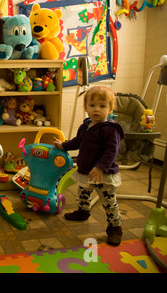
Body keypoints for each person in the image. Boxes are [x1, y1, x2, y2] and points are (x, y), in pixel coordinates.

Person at [54, 86, 124, 246]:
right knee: (83, 192)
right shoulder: (85, 125)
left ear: (110, 108)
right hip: (86, 171)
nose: (97, 110)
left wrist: (100, 167)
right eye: (92, 105)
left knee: (109, 201)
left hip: (102, 174)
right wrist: (63, 146)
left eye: (102, 106)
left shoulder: (110, 129)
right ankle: (83, 211)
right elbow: (77, 141)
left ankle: (115, 227)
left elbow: (112, 151)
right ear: (86, 107)